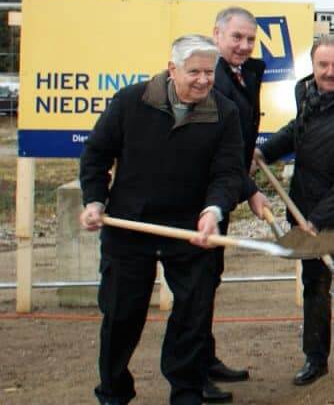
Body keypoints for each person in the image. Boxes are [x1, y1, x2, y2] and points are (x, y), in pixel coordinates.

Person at [79, 35, 244, 405]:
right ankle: (113, 390)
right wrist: (94, 201)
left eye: (209, 71)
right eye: (194, 72)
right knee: (121, 314)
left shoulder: (224, 112)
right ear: (172, 70)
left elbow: (228, 173)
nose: (203, 80)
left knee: (193, 313)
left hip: (190, 228)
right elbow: (95, 156)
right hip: (129, 224)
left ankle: (186, 392)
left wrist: (212, 212)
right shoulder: (130, 102)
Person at [257, 36, 334, 385]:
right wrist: (265, 152)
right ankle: (315, 359)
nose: (330, 72)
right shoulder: (308, 97)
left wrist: (318, 219)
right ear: (313, 66)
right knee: (314, 284)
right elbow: (297, 131)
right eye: (323, 65)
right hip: (304, 207)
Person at [202, 7, 270, 401]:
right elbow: (217, 151)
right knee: (197, 282)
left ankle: (205, 357)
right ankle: (192, 371)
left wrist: (253, 155)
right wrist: (249, 189)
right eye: (236, 38)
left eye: (250, 39)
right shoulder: (210, 79)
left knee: (210, 277)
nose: (244, 46)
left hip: (226, 188)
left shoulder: (244, 74)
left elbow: (241, 138)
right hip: (204, 195)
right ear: (217, 35)